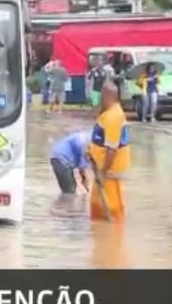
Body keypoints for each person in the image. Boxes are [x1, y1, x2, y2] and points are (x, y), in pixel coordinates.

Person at [87, 81, 130, 222]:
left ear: (107, 96)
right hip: (102, 168)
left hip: (108, 171)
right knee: (100, 203)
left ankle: (111, 233)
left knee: (107, 206)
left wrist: (103, 172)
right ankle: (104, 233)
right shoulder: (110, 113)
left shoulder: (113, 117)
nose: (100, 99)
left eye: (101, 96)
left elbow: (112, 149)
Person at [49, 131, 91, 206]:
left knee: (71, 190)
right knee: (69, 193)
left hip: (59, 157)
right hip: (61, 159)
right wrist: (87, 192)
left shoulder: (88, 137)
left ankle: (62, 210)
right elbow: (83, 173)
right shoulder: (87, 145)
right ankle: (64, 214)